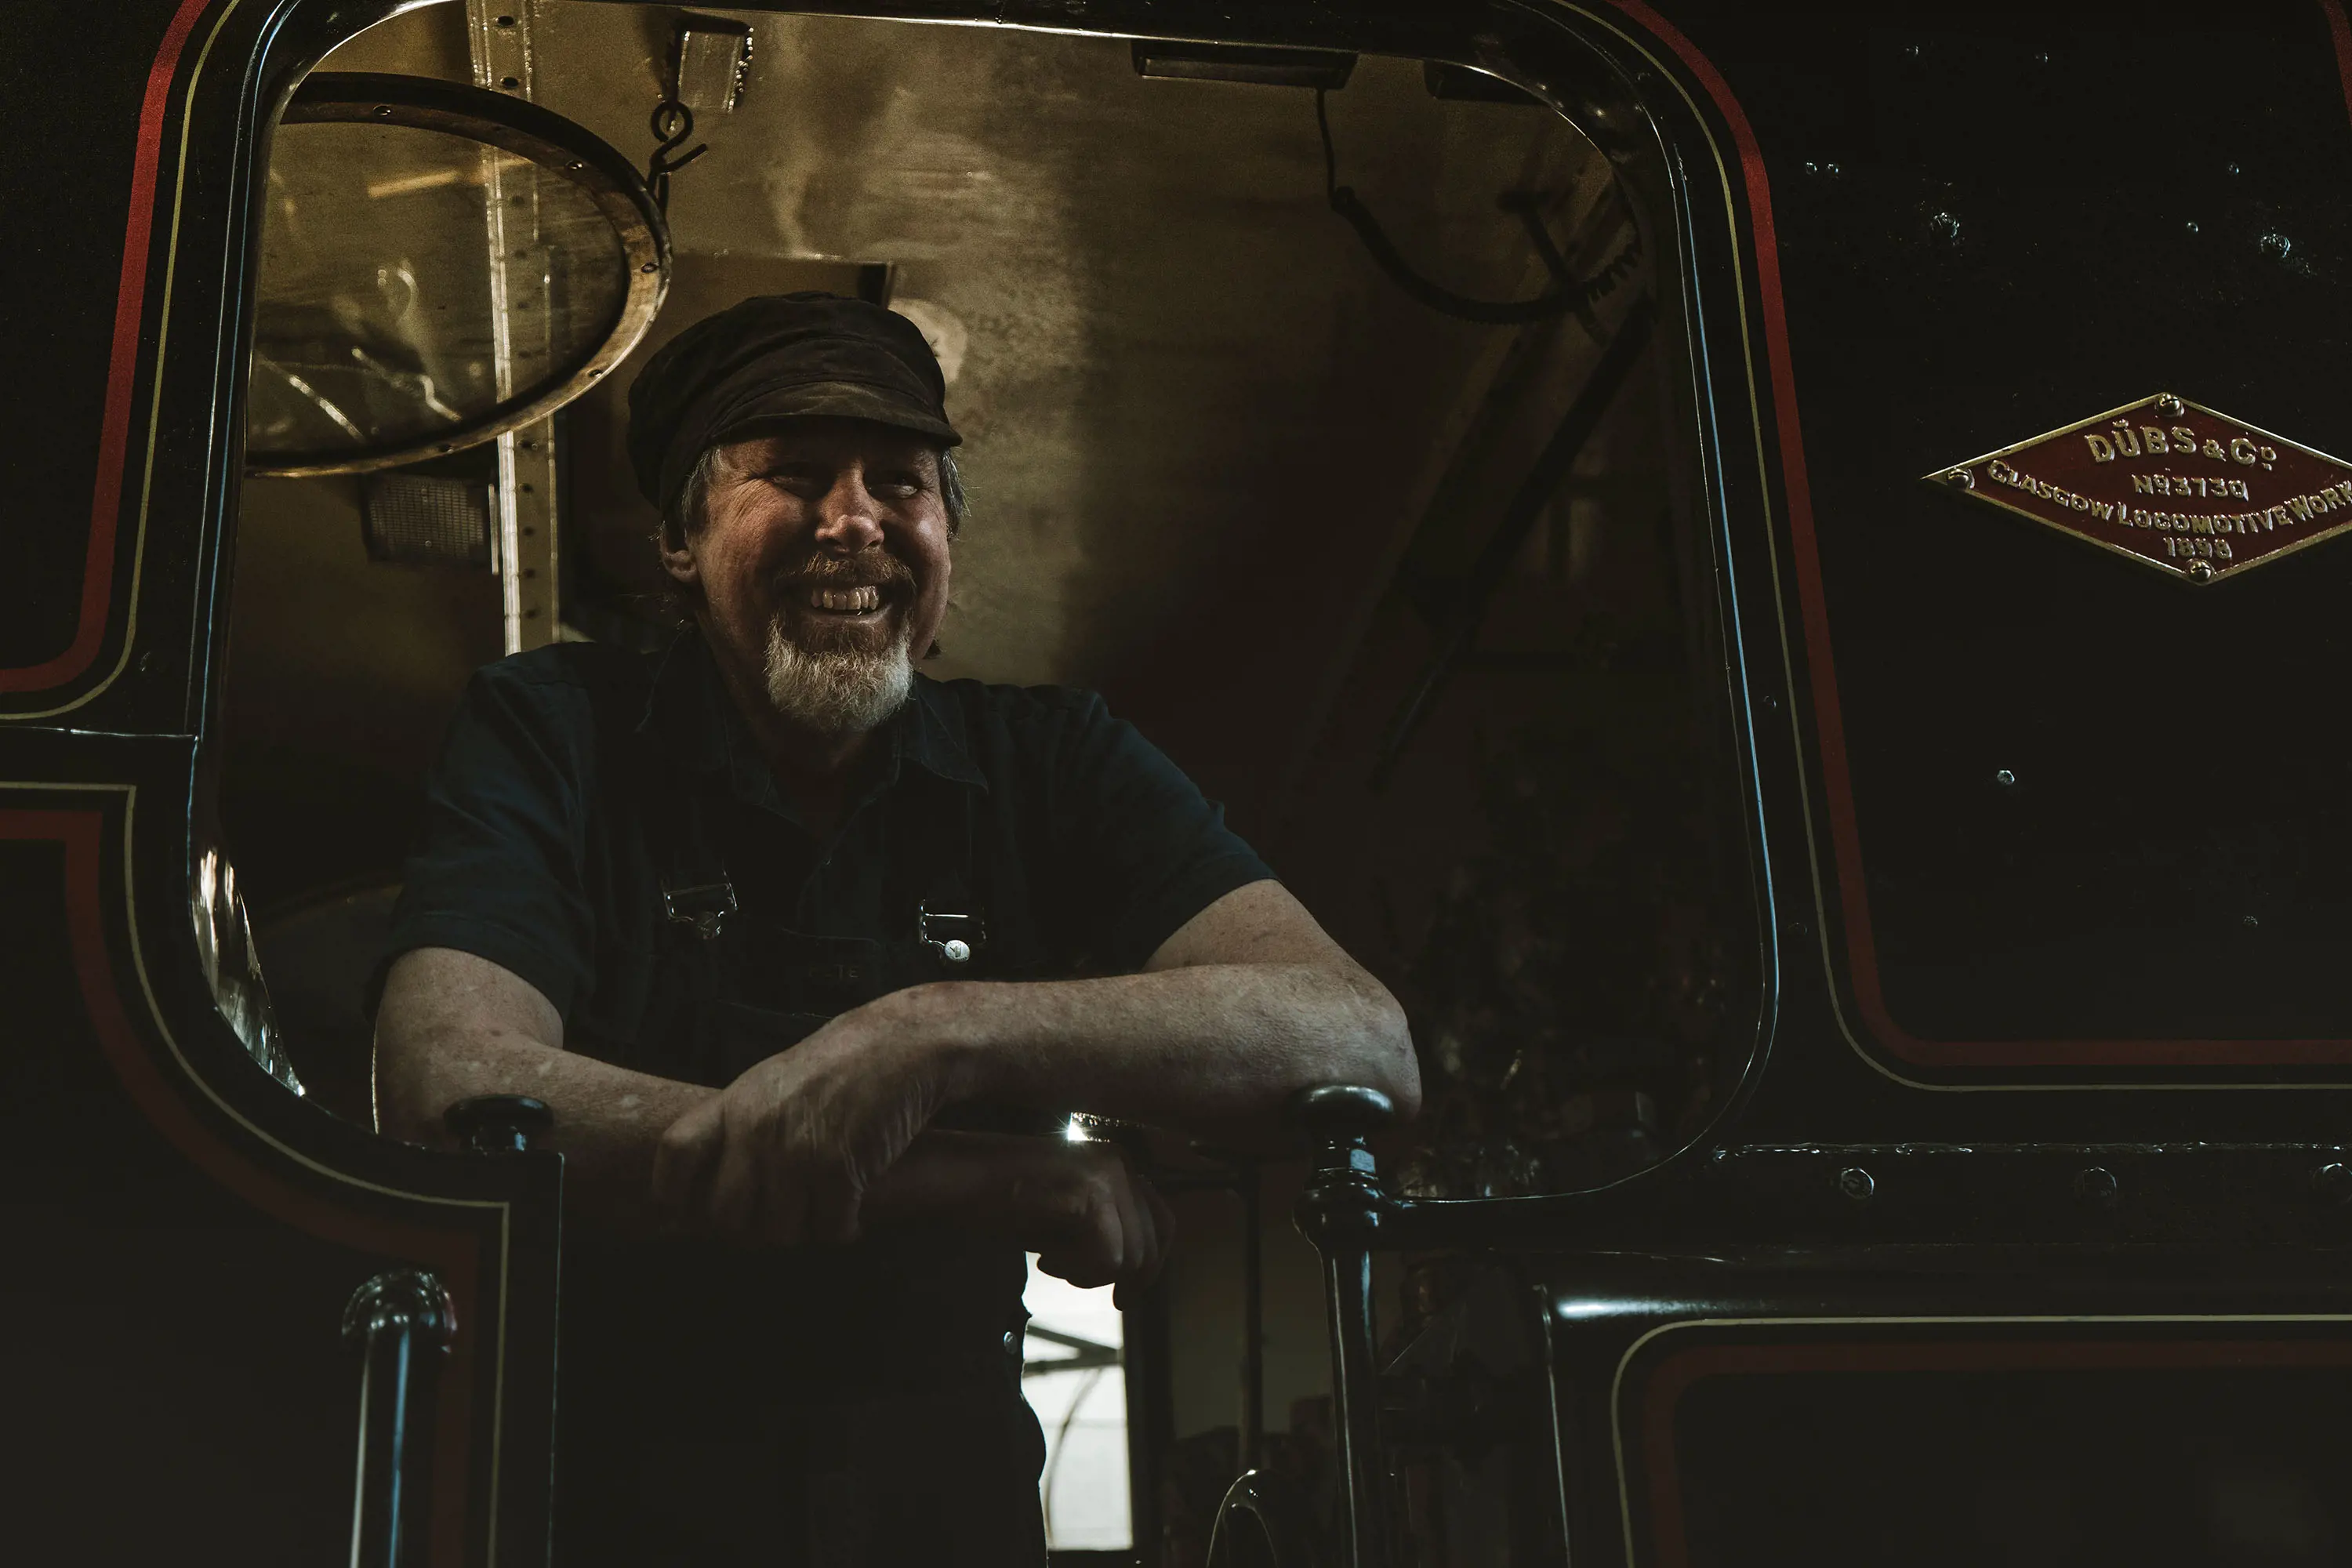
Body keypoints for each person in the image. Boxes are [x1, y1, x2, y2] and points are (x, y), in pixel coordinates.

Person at [369, 292, 1417, 1566]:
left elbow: (1356, 1040)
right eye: (794, 475)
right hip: (586, 1503)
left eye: (901, 481)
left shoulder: (1053, 761)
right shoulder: (553, 733)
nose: (854, 516)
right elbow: (451, 1093)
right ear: (681, 543)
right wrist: (986, 1181)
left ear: (944, 544)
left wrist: (936, 1036)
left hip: (943, 1512)